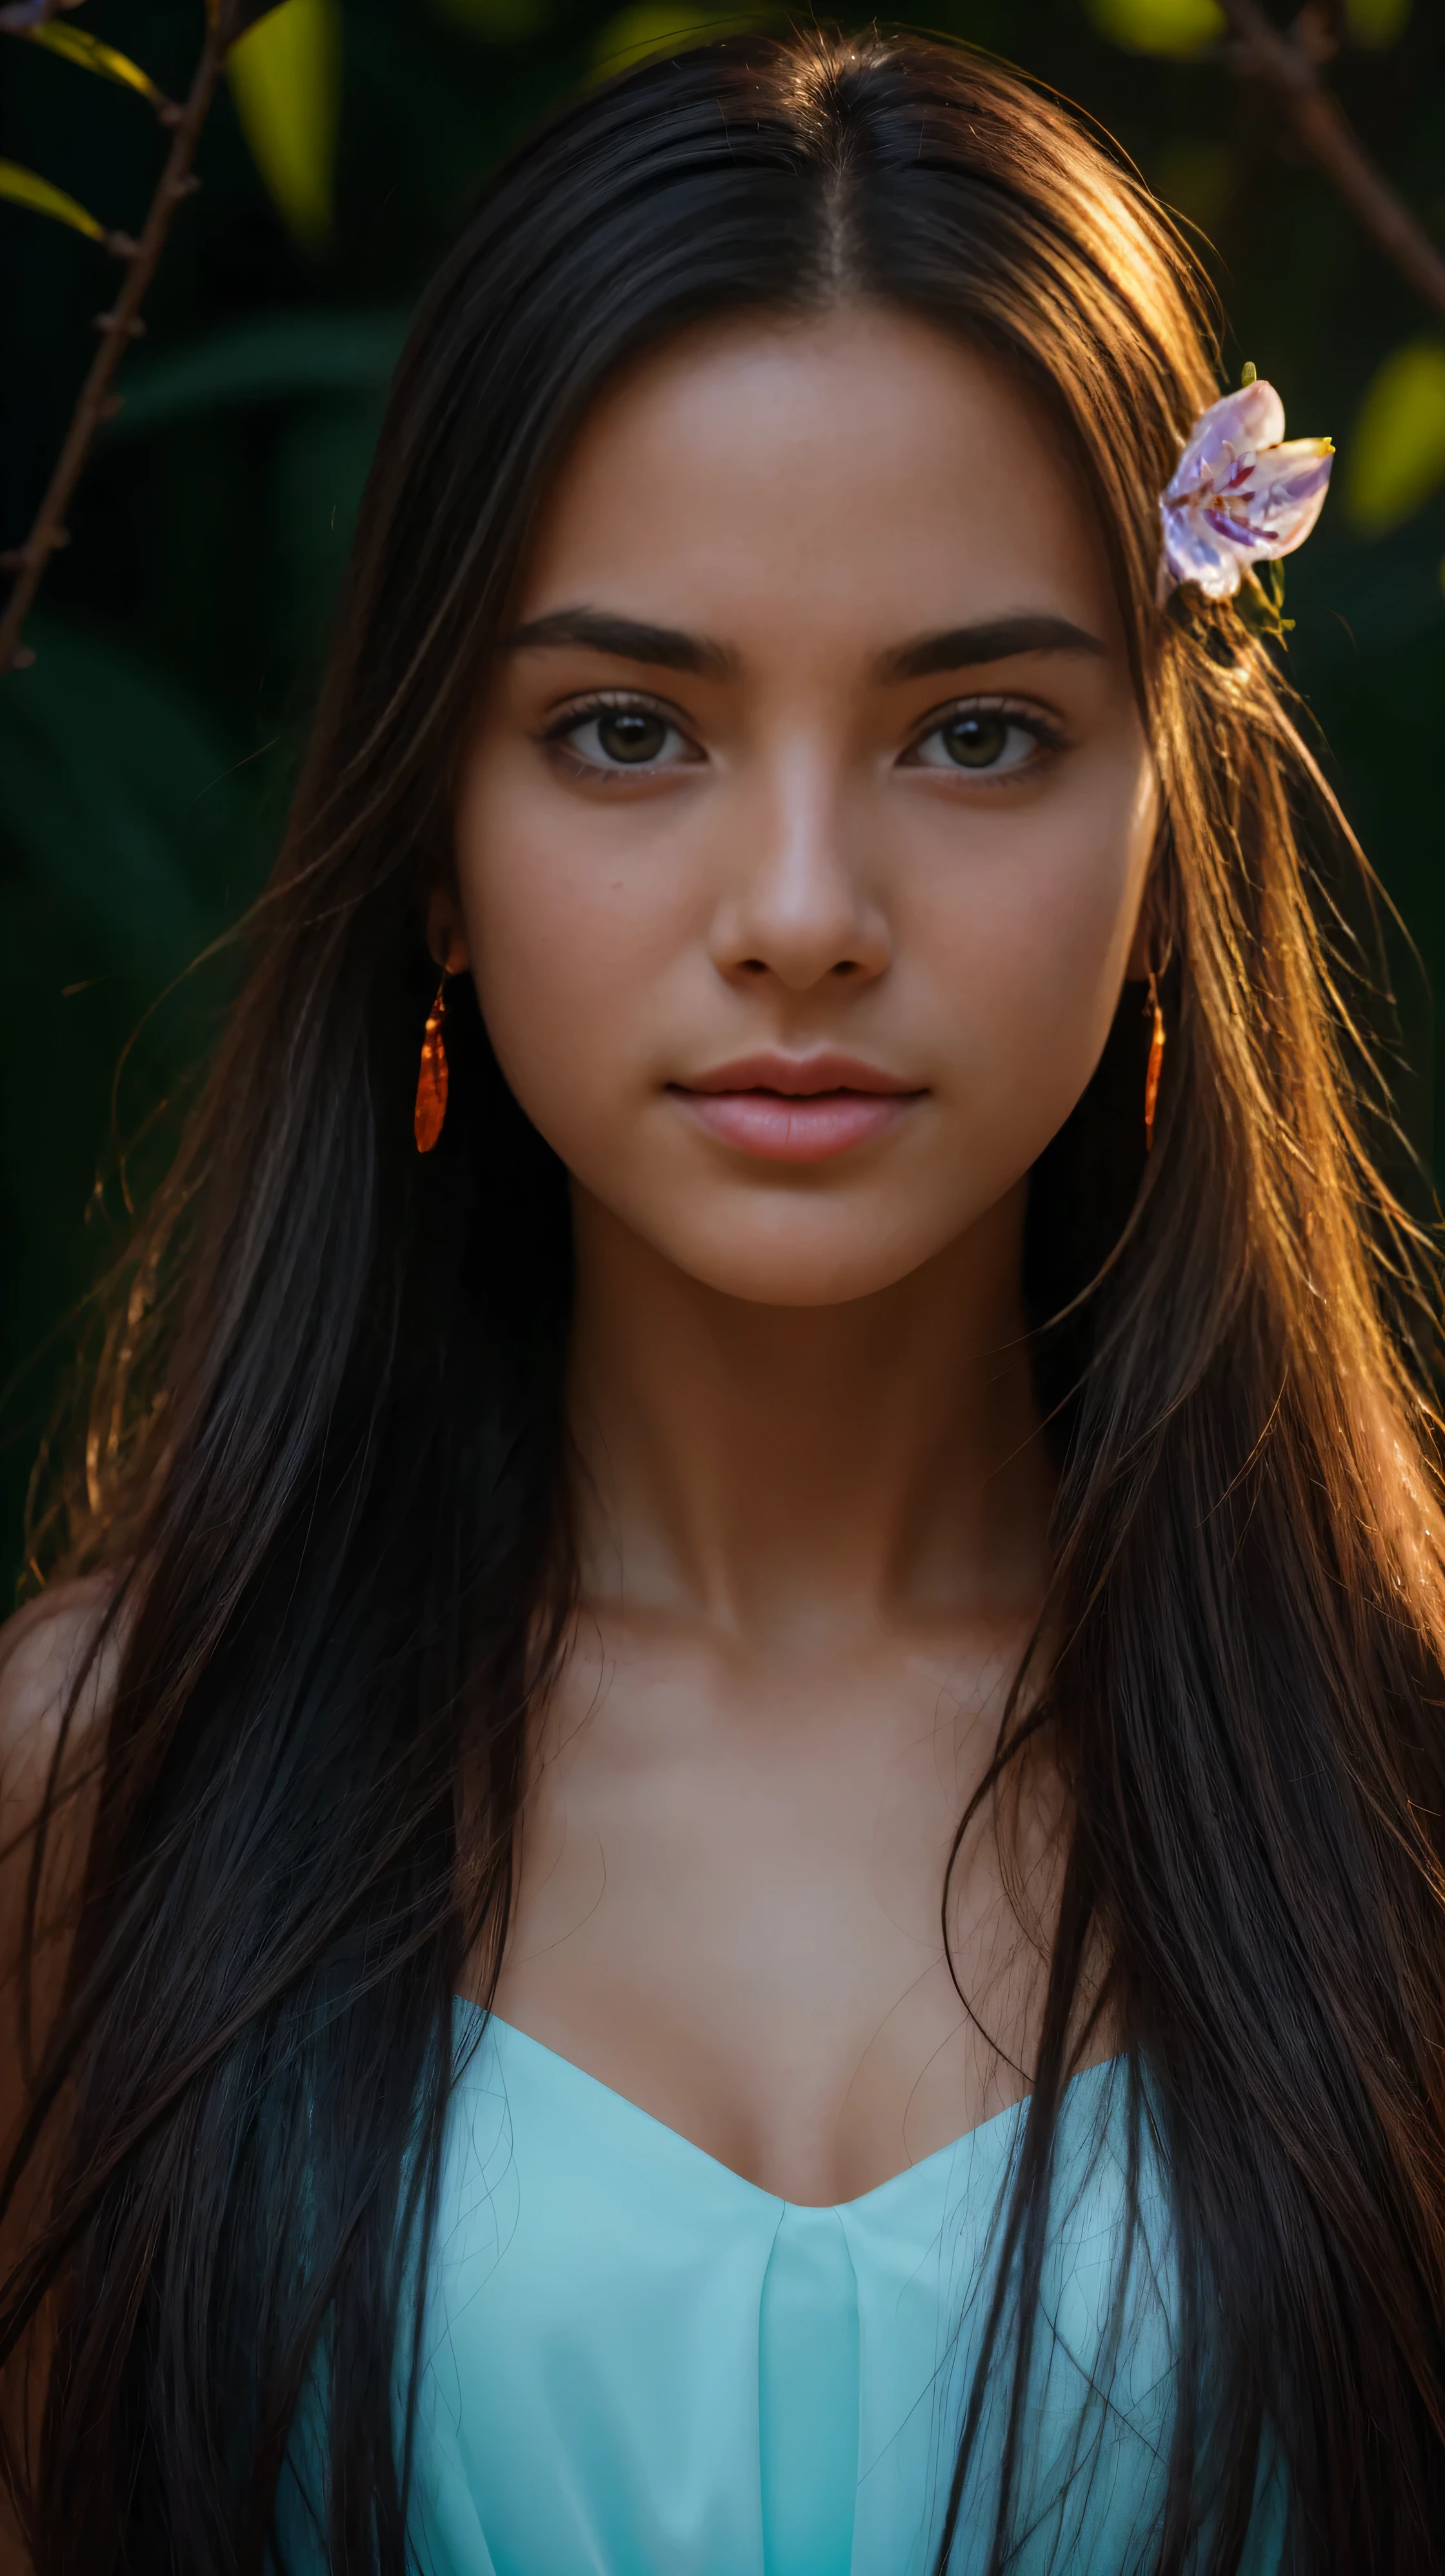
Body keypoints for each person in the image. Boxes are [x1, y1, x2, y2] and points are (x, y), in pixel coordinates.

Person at [1, 27, 1441, 2575]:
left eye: (974, 729)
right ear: (431, 836)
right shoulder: (96, 1786)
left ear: (1161, 823)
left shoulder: (1396, 1774)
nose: (796, 904)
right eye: (629, 725)